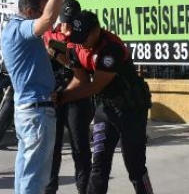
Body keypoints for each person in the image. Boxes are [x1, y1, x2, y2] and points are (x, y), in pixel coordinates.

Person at [59, 10, 153, 194]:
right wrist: (60, 94)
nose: (80, 43)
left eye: (84, 38)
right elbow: (81, 80)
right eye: (77, 38)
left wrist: (63, 98)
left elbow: (94, 86)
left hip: (131, 109)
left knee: (135, 165)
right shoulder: (78, 45)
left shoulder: (111, 49)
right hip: (105, 109)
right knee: (99, 164)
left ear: (95, 32)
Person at [0, 0, 73, 193]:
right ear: (29, 11)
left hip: (30, 110)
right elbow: (48, 19)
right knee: (35, 178)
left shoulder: (13, 31)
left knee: (25, 173)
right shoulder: (21, 29)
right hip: (36, 113)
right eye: (43, 9)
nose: (50, 16)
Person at [43, 0, 93, 194]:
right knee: (52, 149)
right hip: (53, 96)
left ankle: (84, 189)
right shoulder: (49, 34)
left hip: (76, 96)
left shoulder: (84, 38)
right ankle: (49, 190)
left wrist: (63, 54)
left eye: (72, 23)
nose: (68, 28)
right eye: (65, 22)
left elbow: (86, 72)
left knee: (80, 147)